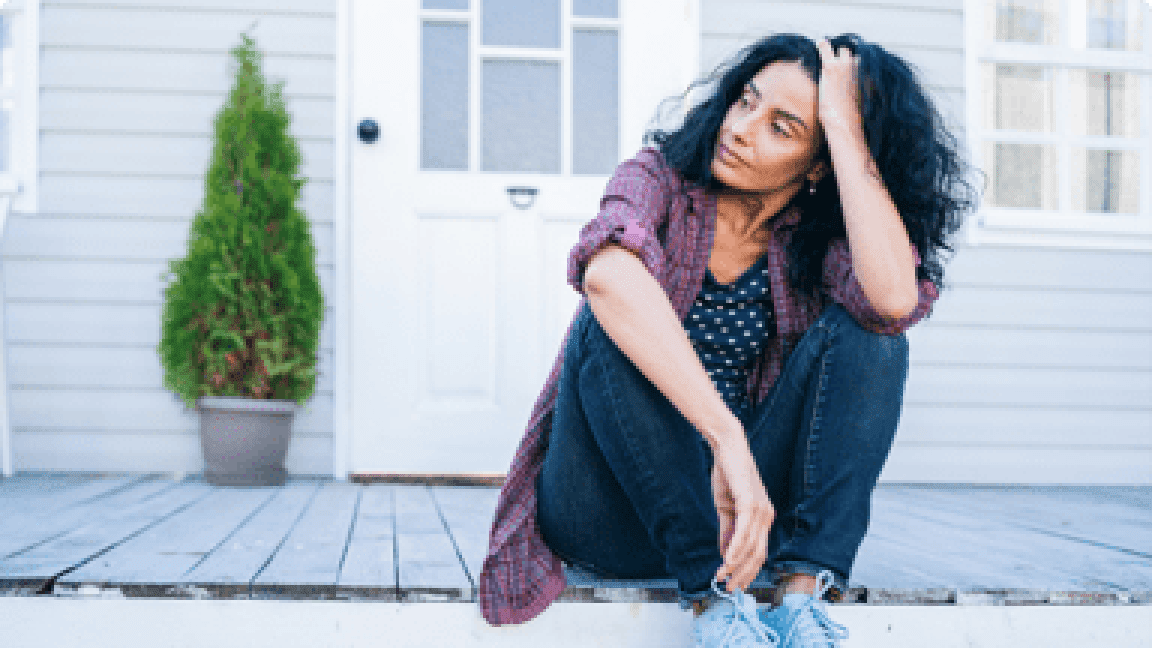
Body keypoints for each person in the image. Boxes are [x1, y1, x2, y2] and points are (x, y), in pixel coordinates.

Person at [477, 32, 981, 648]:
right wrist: (726, 438)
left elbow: (893, 300)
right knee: (606, 310)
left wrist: (846, 135)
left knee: (875, 336)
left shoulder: (814, 238)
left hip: (737, 523)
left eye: (782, 127)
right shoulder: (658, 178)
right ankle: (715, 607)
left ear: (817, 165)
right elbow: (605, 270)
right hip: (605, 510)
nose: (740, 128)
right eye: (746, 99)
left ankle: (801, 598)